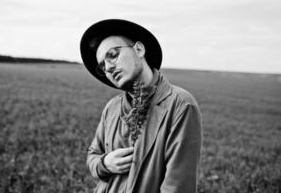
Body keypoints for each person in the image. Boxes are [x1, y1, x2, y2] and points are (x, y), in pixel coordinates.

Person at [80, 19, 202, 193]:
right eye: (102, 67)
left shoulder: (180, 105)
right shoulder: (112, 108)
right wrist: (105, 163)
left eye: (113, 54)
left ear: (139, 49)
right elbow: (93, 155)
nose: (108, 67)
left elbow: (177, 186)